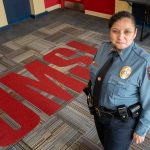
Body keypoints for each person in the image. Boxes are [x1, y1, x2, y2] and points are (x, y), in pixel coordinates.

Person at [84, 11, 150, 150]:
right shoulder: (103, 47)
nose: (121, 37)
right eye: (115, 31)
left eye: (127, 31)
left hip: (122, 123)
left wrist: (142, 129)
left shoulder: (143, 62)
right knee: (106, 144)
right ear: (110, 31)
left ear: (135, 33)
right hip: (98, 113)